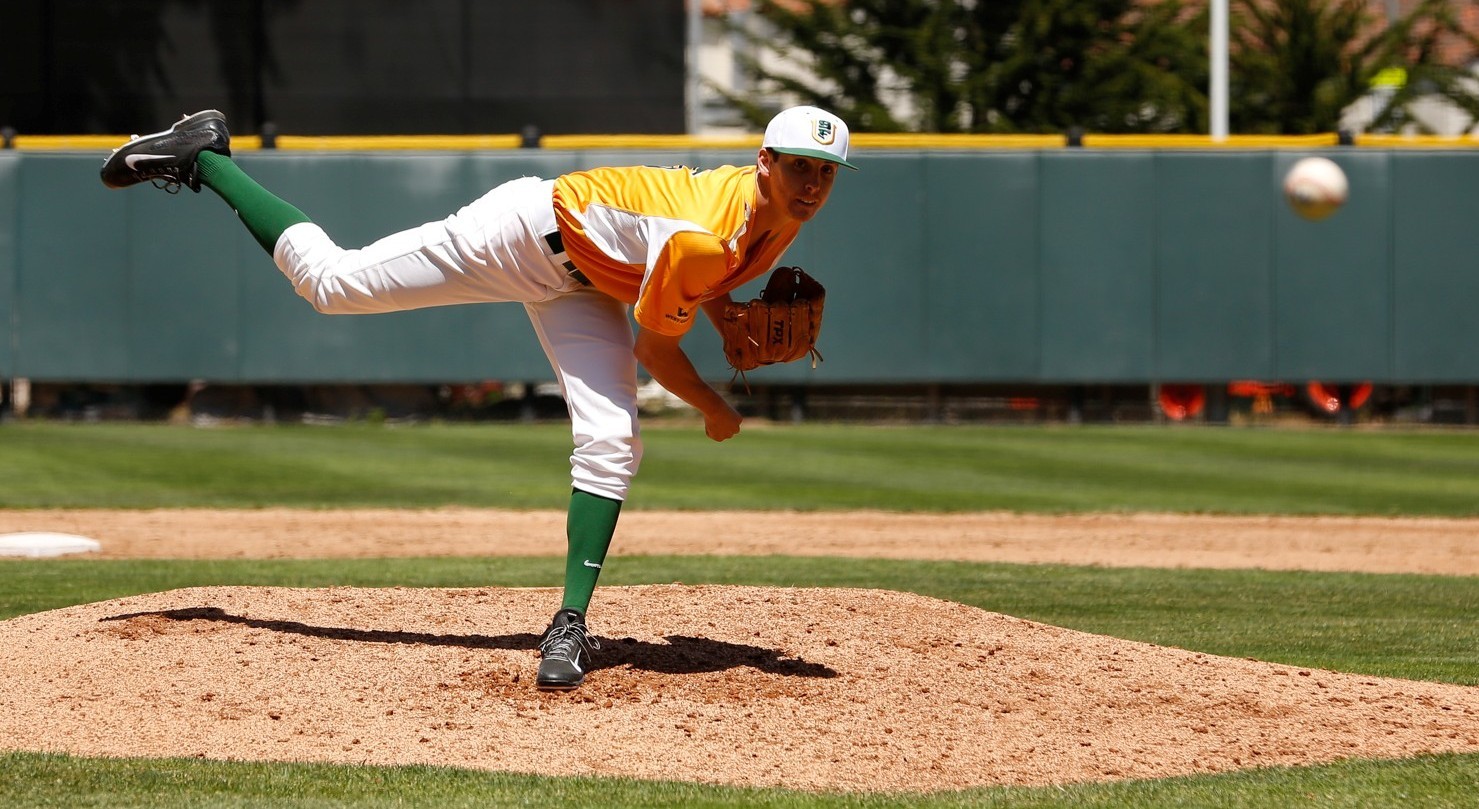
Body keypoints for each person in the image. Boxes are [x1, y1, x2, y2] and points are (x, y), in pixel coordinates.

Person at [100, 105, 854, 691]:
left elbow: (701, 281)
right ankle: (204, 155)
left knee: (613, 439)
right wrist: (714, 407)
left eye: (826, 172)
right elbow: (655, 346)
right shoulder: (708, 232)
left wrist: (725, 322)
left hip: (589, 281)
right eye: (800, 167)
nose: (814, 184)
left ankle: (567, 626)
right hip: (525, 236)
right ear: (764, 161)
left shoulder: (778, 217)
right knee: (333, 284)